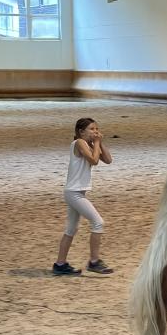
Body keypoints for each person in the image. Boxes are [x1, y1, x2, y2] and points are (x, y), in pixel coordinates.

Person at [52, 118, 114, 276]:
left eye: (97, 129)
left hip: (77, 192)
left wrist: (100, 142)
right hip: (74, 193)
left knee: (71, 229)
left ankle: (60, 264)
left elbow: (108, 160)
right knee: (98, 222)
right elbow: (93, 161)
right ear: (81, 132)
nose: (95, 131)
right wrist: (97, 144)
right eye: (92, 129)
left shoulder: (91, 145)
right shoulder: (79, 143)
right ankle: (94, 262)